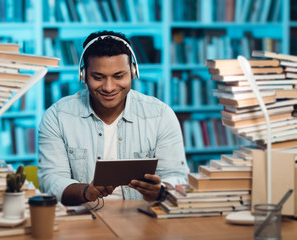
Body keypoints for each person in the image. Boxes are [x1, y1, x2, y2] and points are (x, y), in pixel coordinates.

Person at [38, 30, 189, 206]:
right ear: (83, 75)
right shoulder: (57, 117)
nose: (109, 87)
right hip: (84, 220)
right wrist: (87, 192)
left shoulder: (161, 115)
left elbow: (177, 175)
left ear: (133, 72)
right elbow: (50, 180)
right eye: (98, 77)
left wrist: (161, 189)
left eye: (119, 76)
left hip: (143, 220)